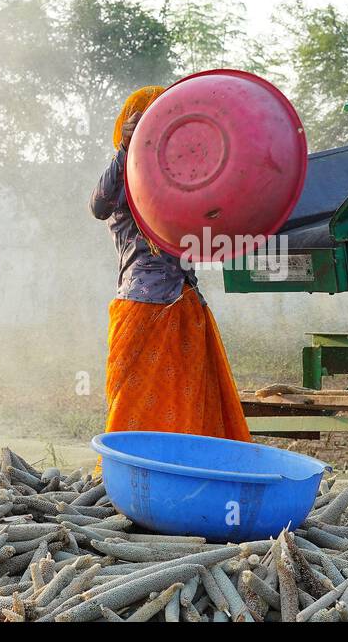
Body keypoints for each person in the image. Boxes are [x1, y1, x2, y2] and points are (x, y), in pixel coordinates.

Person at [89, 87, 252, 474]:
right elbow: (98, 205)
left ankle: (191, 473)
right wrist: (128, 148)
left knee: (191, 400)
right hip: (143, 305)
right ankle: (128, 477)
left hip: (186, 303)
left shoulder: (182, 179)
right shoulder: (123, 177)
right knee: (134, 402)